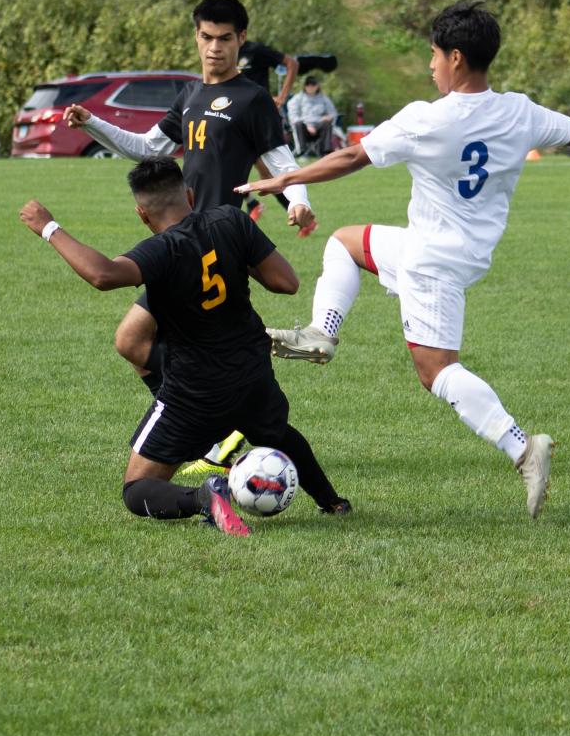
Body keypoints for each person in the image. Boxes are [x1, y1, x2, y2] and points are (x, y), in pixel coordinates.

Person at [236, 0, 570, 518]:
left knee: (435, 370)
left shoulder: (426, 119)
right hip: (453, 250)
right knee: (345, 242)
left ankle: (522, 447)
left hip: (432, 261)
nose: (430, 65)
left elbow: (352, 156)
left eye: (434, 55)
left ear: (456, 57)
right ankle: (322, 333)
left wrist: (285, 179)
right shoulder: (520, 111)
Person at [18, 157, 351, 536]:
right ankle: (333, 502)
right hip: (253, 374)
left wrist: (48, 227)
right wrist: (239, 257)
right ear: (190, 195)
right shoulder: (232, 220)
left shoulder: (161, 251)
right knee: (276, 432)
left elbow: (104, 274)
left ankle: (204, 496)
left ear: (142, 215)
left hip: (194, 392)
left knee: (136, 490)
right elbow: (286, 283)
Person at [63, 0, 316, 472]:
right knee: (138, 343)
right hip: (181, 242)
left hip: (221, 241)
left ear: (241, 40)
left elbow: (281, 162)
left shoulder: (253, 99)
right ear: (196, 37)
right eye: (206, 37)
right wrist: (92, 121)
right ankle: (217, 423)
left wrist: (300, 202)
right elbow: (147, 149)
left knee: (133, 340)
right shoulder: (190, 95)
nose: (214, 48)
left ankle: (209, 424)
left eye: (225, 39)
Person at [237, 36, 301, 221]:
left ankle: (296, 209)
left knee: (266, 172)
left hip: (259, 118)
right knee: (259, 171)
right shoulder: (224, 52)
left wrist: (282, 96)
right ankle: (254, 204)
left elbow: (291, 64)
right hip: (237, 118)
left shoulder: (255, 50)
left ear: (241, 33)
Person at [287, 77, 338, 158]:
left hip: (319, 126)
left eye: (313, 84)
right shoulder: (297, 98)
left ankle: (326, 152)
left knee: (327, 124)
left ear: (317, 86)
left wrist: (328, 117)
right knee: (298, 124)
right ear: (304, 86)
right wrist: (308, 126)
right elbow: (292, 115)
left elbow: (333, 113)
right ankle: (302, 152)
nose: (310, 87)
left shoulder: (324, 98)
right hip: (303, 127)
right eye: (308, 84)